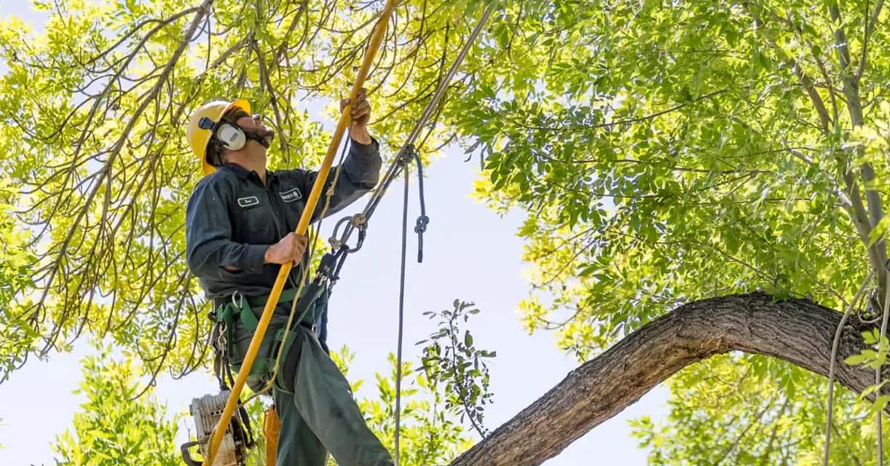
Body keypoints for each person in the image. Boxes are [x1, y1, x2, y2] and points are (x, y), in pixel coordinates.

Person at [184, 90, 394, 466]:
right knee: (326, 391)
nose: (258, 118)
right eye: (243, 118)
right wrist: (268, 253)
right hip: (256, 328)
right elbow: (204, 256)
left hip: (295, 321)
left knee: (305, 428)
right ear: (227, 138)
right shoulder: (216, 188)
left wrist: (359, 134)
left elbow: (356, 180)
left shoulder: (289, 186)